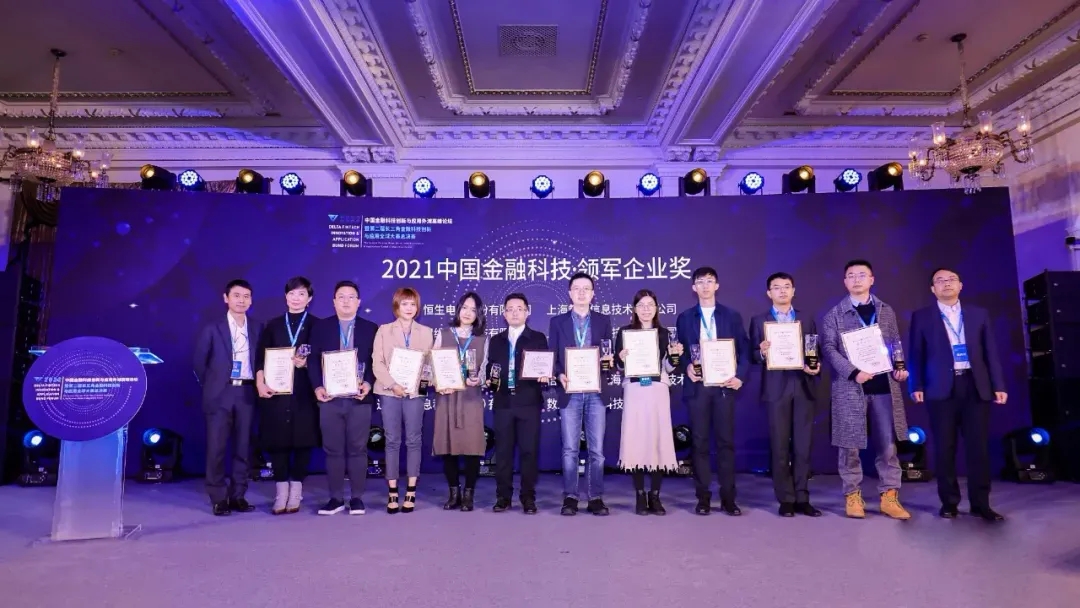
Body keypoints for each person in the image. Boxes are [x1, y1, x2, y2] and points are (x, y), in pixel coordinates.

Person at [908, 267, 1007, 522]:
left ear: (960, 285)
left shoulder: (978, 314)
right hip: (940, 388)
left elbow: (990, 352)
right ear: (933, 289)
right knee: (945, 448)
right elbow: (916, 354)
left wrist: (998, 385)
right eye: (940, 281)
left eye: (952, 279)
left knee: (978, 448)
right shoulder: (922, 317)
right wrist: (916, 386)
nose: (947, 283)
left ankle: (981, 503)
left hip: (976, 386)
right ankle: (949, 502)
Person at [822, 259, 911, 520]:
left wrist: (899, 368)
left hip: (884, 386)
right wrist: (853, 372)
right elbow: (828, 349)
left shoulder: (886, 311)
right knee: (849, 445)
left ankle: (889, 496)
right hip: (850, 388)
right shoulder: (834, 315)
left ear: (872, 279)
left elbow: (895, 344)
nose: (856, 279)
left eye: (862, 275)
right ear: (845, 282)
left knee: (887, 445)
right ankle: (852, 495)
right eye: (851, 275)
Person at [675, 266, 750, 515]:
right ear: (693, 287)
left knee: (726, 443)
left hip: (724, 387)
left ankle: (729, 498)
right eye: (700, 282)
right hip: (697, 388)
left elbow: (744, 351)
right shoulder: (685, 318)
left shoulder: (732, 316)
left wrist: (740, 377)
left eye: (709, 281)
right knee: (699, 444)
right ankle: (703, 498)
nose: (705, 286)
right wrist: (686, 365)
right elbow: (680, 351)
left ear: (717, 286)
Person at [749, 272, 822, 517]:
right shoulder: (759, 320)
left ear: (793, 291)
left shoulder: (806, 318)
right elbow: (752, 355)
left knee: (803, 446)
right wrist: (761, 351)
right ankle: (786, 498)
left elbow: (814, 350)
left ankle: (802, 497)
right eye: (777, 287)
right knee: (779, 446)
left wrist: (815, 366)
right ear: (769, 293)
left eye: (787, 286)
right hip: (775, 388)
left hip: (802, 385)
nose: (782, 291)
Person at [193, 279, 263, 516]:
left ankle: (238, 495)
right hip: (220, 394)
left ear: (251, 300)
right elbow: (199, 363)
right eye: (236, 295)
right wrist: (213, 386)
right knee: (216, 448)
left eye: (246, 296)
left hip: (247, 392)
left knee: (243, 447)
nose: (241, 300)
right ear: (226, 298)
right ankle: (218, 497)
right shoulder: (212, 328)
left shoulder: (258, 328)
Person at [307, 280, 377, 515]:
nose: (346, 301)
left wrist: (368, 383)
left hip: (359, 399)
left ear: (359, 302)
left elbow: (377, 362)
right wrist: (317, 387)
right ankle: (335, 498)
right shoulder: (321, 327)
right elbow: (313, 360)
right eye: (341, 297)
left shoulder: (371, 328)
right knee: (333, 449)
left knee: (358, 449)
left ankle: (357, 498)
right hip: (330, 399)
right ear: (334, 302)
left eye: (351, 297)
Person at [254, 277, 321, 515]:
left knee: (303, 441)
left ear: (309, 299)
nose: (296, 298)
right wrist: (260, 383)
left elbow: (323, 359)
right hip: (276, 391)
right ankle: (281, 490)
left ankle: (296, 490)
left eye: (302, 294)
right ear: (285, 297)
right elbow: (260, 358)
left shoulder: (316, 325)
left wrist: (307, 364)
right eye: (292, 293)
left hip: (305, 391)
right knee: (278, 441)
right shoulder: (272, 325)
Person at [551, 272, 614, 516]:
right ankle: (570, 497)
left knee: (597, 451)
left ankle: (595, 497)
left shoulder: (603, 320)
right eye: (576, 288)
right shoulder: (557, 322)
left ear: (592, 294)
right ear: (569, 293)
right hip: (570, 391)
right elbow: (553, 356)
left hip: (596, 391)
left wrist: (608, 361)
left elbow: (607, 354)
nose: (581, 292)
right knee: (570, 449)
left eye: (586, 288)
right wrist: (559, 374)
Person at [614, 289, 681, 515]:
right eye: (641, 305)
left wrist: (674, 356)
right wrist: (621, 359)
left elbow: (669, 367)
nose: (645, 309)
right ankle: (640, 494)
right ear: (634, 309)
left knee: (657, 440)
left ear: (656, 308)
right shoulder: (625, 333)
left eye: (650, 305)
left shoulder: (664, 333)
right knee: (637, 441)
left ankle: (655, 495)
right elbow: (619, 367)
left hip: (657, 389)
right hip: (634, 390)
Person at [373, 287, 435, 514]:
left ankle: (411, 490)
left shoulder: (426, 332)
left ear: (418, 308)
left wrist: (422, 383)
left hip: (414, 394)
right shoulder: (384, 330)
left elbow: (429, 365)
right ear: (396, 306)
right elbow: (377, 363)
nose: (409, 308)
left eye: (413, 304)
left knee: (414, 440)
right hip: (390, 392)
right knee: (391, 440)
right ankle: (392, 491)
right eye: (404, 303)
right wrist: (393, 385)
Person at [488, 293, 550, 514]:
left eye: (519, 308)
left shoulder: (538, 338)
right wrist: (489, 378)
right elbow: (491, 368)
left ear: (527, 312)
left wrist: (545, 375)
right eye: (510, 309)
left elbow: (544, 366)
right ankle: (503, 497)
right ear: (504, 314)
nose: (515, 313)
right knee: (503, 453)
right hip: (503, 402)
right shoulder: (496, 340)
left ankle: (528, 497)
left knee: (529, 452)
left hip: (528, 402)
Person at [433, 292, 488, 512]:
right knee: (448, 446)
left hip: (471, 398)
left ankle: (468, 494)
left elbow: (485, 370)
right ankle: (453, 493)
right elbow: (432, 365)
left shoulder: (483, 339)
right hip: (447, 396)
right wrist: (438, 383)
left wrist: (479, 379)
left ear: (478, 314)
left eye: (473, 310)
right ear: (458, 309)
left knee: (472, 447)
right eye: (465, 307)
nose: (468, 313)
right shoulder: (443, 334)